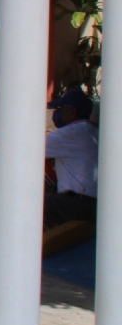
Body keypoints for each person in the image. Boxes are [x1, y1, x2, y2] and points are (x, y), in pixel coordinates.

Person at [45, 87, 98, 227]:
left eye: (60, 109)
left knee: (34, 204)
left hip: (81, 205)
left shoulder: (70, 133)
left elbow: (29, 149)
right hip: (97, 205)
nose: (56, 113)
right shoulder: (94, 131)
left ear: (72, 112)